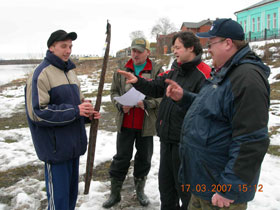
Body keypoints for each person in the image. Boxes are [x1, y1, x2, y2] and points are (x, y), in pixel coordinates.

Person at [165, 18, 270, 210]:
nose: (208, 49)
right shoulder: (225, 72)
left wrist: (229, 187)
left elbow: (252, 139)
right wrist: (184, 97)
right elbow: (212, 108)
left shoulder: (247, 78)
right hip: (204, 182)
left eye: (211, 43)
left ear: (228, 43)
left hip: (220, 193)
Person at [117, 31, 211, 210]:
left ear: (191, 48)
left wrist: (183, 98)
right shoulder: (173, 70)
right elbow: (155, 87)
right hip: (166, 140)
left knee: (185, 191)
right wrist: (137, 81)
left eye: (177, 47)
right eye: (174, 47)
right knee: (166, 189)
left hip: (187, 144)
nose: (174, 51)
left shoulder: (204, 73)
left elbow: (206, 108)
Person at [25, 29, 101, 210]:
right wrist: (76, 111)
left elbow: (77, 106)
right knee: (58, 202)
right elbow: (37, 112)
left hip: (73, 146)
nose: (68, 51)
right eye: (63, 46)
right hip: (56, 149)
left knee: (70, 198)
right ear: (51, 47)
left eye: (70, 46)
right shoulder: (41, 74)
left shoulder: (71, 73)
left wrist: (87, 113)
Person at [102, 38, 163, 208]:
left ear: (147, 52)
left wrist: (148, 104)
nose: (135, 54)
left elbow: (162, 96)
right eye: (133, 50)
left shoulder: (157, 70)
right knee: (121, 158)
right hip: (126, 122)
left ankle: (140, 191)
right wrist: (120, 105)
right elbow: (113, 91)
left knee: (144, 158)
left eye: (139, 51)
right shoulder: (122, 69)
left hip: (146, 125)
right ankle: (115, 194)